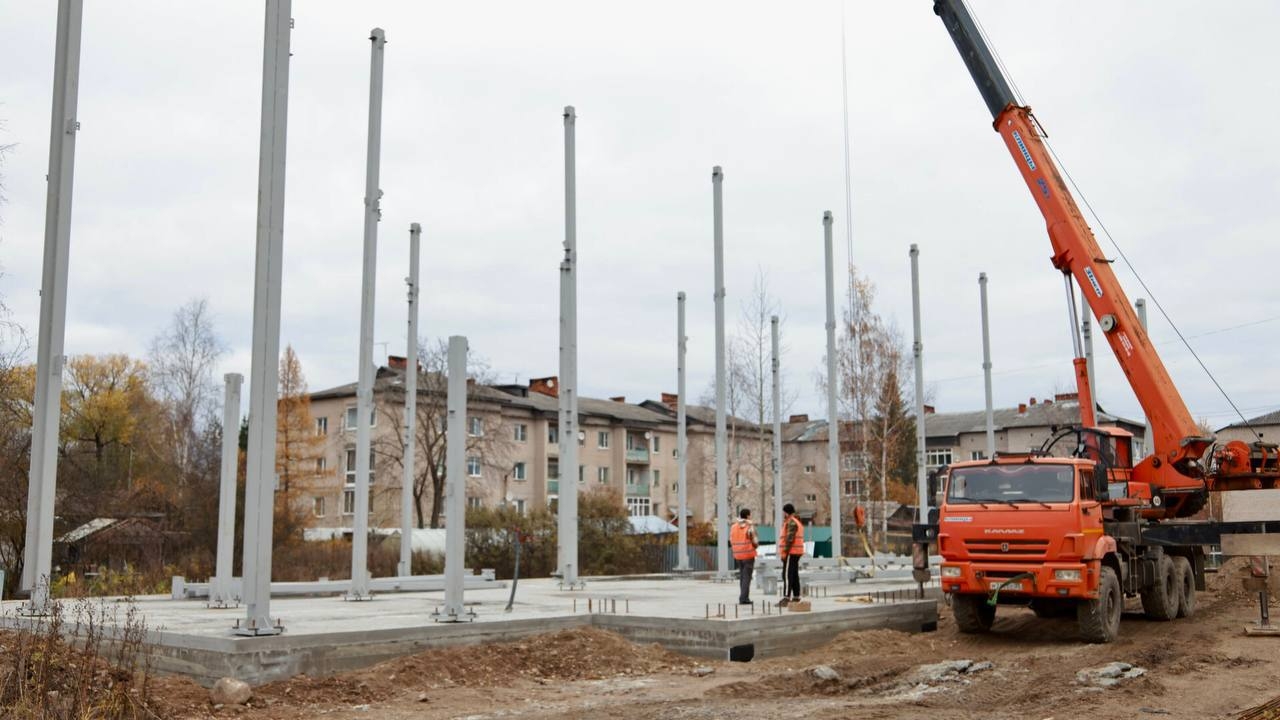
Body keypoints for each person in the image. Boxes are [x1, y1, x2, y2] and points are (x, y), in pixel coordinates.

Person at [729, 508, 758, 604]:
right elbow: (755, 540)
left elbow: (731, 540)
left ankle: (743, 596)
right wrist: (755, 546)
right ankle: (744, 598)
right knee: (747, 577)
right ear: (748, 516)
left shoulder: (733, 527)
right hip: (748, 554)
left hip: (738, 555)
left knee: (742, 576)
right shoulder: (749, 526)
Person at [778, 503, 804, 606]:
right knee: (794, 574)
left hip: (791, 552)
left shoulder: (791, 522)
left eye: (784, 512)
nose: (783, 514)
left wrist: (784, 552)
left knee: (787, 575)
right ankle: (796, 596)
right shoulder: (796, 521)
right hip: (796, 552)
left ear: (786, 512)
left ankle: (786, 597)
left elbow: (789, 539)